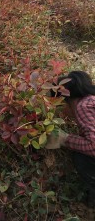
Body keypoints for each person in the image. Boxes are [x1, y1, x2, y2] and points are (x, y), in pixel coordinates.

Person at [46, 71, 95, 210]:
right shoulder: (91, 99)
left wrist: (65, 139)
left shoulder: (83, 106)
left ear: (64, 100)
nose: (60, 113)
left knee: (81, 156)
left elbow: (93, 146)